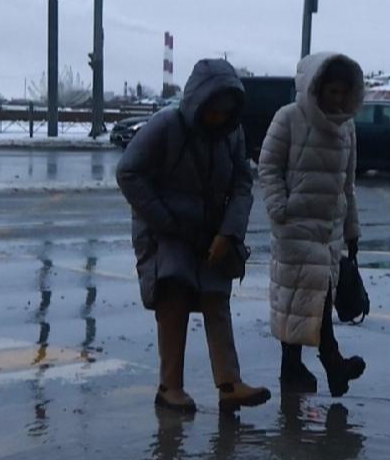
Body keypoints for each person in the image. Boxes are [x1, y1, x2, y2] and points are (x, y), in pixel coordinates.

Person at [117, 57, 271, 414]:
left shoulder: (232, 133)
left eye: (226, 110)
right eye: (213, 109)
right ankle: (170, 387)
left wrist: (229, 233)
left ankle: (229, 384)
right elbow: (128, 173)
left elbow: (242, 185)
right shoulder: (166, 125)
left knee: (217, 298)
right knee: (174, 296)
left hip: (211, 231)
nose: (218, 117)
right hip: (164, 230)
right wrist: (163, 220)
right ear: (198, 101)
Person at [258, 52, 368, 397]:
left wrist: (352, 230)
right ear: (316, 88)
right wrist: (280, 208)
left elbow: (347, 184)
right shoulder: (289, 118)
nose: (336, 99)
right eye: (331, 91)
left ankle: (292, 371)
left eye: (341, 93)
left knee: (306, 301)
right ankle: (333, 364)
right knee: (310, 299)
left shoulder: (347, 127)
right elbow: (269, 165)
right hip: (295, 227)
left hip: (330, 231)